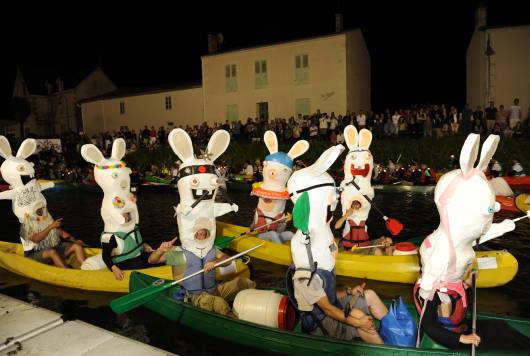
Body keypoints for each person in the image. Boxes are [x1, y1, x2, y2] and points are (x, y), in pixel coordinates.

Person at [148, 219, 255, 316]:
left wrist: (215, 261)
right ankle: (234, 321)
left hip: (214, 289)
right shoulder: (176, 251)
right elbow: (152, 260)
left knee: (245, 282)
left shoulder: (210, 249)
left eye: (203, 234)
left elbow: (226, 260)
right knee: (219, 303)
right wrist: (159, 251)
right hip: (195, 296)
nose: (200, 237)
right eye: (197, 234)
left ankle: (257, 305)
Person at [415, 271, 530, 350]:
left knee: (498, 326)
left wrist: (467, 283)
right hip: (448, 336)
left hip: (459, 327)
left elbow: (448, 293)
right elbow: (429, 326)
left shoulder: (438, 280)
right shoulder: (427, 290)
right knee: (505, 343)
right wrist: (462, 338)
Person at [20, 205, 86, 268]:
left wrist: (74, 240)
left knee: (77, 245)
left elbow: (61, 233)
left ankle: (87, 267)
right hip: (33, 255)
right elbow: (36, 239)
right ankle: (68, 272)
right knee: (52, 252)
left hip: (53, 248)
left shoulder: (44, 220)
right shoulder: (25, 225)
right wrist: (51, 226)